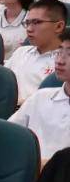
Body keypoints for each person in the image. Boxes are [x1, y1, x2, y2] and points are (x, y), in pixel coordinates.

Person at [9, 29, 70, 164]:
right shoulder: (40, 97)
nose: (60, 61)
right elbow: (8, 135)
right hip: (25, 172)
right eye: (59, 52)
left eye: (69, 54)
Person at [7, 0, 67, 102]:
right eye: (27, 23)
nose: (29, 29)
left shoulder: (65, 62)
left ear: (59, 26)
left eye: (36, 22)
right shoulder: (20, 52)